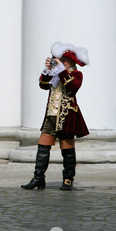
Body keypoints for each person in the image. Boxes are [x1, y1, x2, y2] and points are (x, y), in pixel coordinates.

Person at [21, 42, 89, 191]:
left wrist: (60, 70)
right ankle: (38, 178)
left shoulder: (76, 74)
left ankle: (68, 179)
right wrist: (48, 70)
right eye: (60, 59)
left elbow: (72, 86)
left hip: (67, 116)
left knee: (67, 149)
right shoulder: (57, 73)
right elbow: (43, 85)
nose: (62, 62)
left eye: (64, 59)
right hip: (51, 115)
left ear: (72, 62)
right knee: (43, 147)